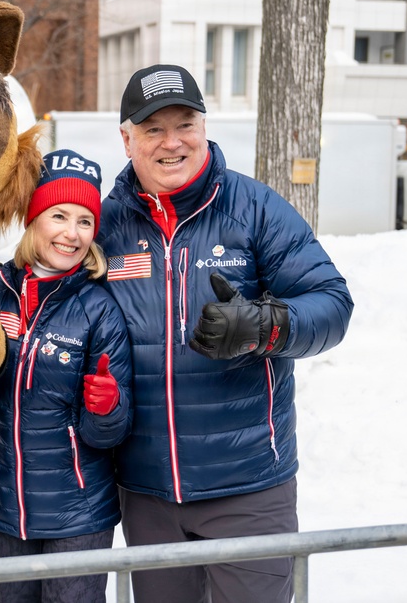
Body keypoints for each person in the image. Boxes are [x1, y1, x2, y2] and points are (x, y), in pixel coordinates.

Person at [97, 63, 354, 603]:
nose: (173, 143)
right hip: (145, 493)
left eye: (185, 124)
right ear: (126, 139)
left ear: (205, 127)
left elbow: (331, 305)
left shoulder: (256, 209)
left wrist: (265, 326)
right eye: (152, 129)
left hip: (249, 488)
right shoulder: (104, 224)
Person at [0, 150, 133, 603]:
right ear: (33, 220)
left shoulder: (98, 308)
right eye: (59, 215)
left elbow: (110, 433)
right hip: (3, 508)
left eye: (85, 221)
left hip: (77, 515)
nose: (71, 233)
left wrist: (106, 408)